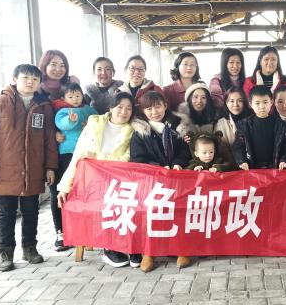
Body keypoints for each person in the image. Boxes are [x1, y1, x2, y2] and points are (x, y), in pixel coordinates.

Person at [0, 64, 57, 271]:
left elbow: (49, 139)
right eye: (25, 78)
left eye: (35, 79)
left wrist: (50, 166)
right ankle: (6, 254)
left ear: (39, 83)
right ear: (14, 80)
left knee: (31, 212)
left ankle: (30, 248)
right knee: (6, 213)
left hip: (33, 169)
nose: (30, 82)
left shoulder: (43, 106)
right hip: (5, 169)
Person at [56, 92, 136, 268]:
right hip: (91, 182)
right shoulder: (94, 124)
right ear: (111, 108)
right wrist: (65, 187)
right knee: (103, 200)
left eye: (128, 108)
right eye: (120, 107)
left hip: (119, 182)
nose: (123, 112)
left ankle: (127, 245)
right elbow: (79, 155)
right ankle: (109, 247)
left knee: (126, 199)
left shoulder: (132, 130)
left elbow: (128, 160)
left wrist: (100, 161)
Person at [130, 91, 190, 271]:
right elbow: (138, 159)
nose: (154, 112)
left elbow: (185, 151)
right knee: (151, 213)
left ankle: (181, 248)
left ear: (165, 105)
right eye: (148, 108)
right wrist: (159, 169)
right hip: (151, 182)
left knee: (180, 210)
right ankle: (149, 253)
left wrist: (178, 163)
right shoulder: (140, 132)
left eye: (157, 106)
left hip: (176, 179)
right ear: (143, 111)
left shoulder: (178, 126)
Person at [50, 83, 97, 251]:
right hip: (67, 154)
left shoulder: (88, 109)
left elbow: (98, 120)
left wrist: (90, 124)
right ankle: (62, 232)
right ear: (64, 98)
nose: (75, 99)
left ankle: (85, 230)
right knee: (64, 190)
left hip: (87, 155)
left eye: (77, 95)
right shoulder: (63, 111)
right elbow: (62, 124)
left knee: (85, 192)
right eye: (70, 96)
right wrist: (71, 120)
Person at [233, 85, 286, 170]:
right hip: (252, 167)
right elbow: (238, 147)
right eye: (257, 103)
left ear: (271, 102)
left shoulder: (281, 125)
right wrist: (242, 161)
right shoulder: (244, 125)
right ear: (251, 104)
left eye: (265, 102)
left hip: (275, 167)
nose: (262, 106)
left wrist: (284, 160)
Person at [214, 87, 252, 170]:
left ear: (244, 102)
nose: (235, 104)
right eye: (231, 101)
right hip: (230, 168)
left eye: (240, 101)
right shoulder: (221, 124)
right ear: (226, 103)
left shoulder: (252, 119)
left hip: (253, 166)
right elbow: (221, 151)